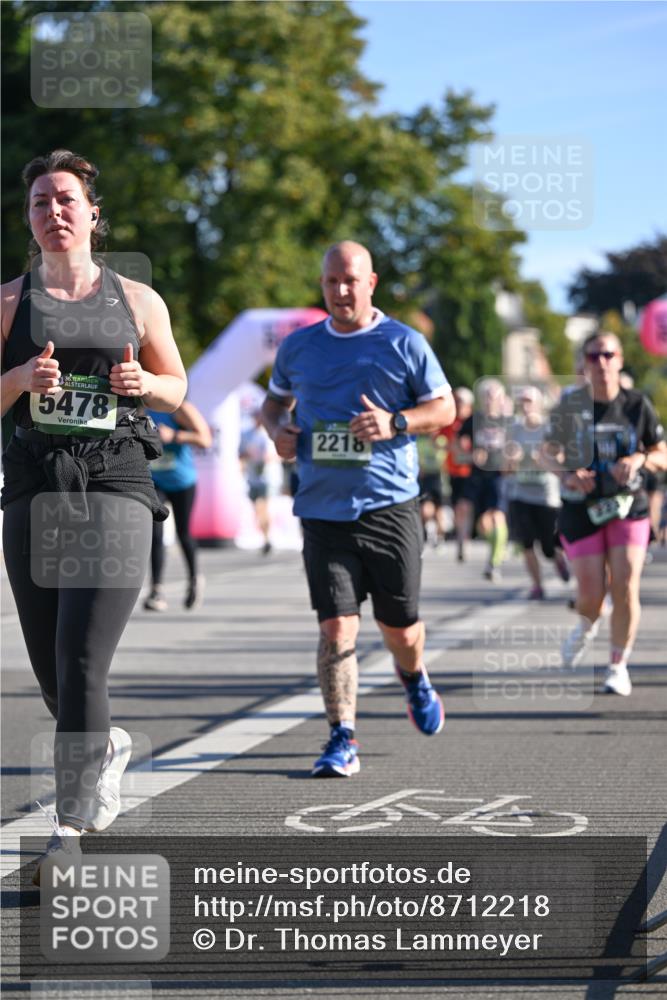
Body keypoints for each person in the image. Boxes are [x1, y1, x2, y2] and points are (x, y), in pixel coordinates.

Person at [0, 150, 187, 878]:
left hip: (114, 478)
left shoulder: (136, 300)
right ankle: (105, 745)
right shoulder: (9, 304)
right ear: (28, 217)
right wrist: (19, 378)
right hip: (33, 484)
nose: (54, 211)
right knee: (53, 674)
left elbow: (177, 386)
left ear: (92, 214)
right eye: (40, 201)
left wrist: (145, 382)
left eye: (66, 199)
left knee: (81, 661)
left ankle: (68, 831)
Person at [261, 241, 454, 776]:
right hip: (322, 509)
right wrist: (278, 430)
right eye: (331, 282)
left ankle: (414, 677)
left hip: (389, 506)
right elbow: (274, 403)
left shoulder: (405, 342)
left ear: (371, 283)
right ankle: (341, 736)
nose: (341, 291)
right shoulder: (298, 347)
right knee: (336, 629)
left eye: (351, 280)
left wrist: (396, 422)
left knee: (401, 630)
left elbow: (444, 408)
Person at [543, 331, 666, 695]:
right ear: (583, 363)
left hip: (628, 506)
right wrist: (567, 474)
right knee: (591, 597)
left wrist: (638, 459)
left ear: (620, 360)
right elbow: (546, 452)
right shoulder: (570, 407)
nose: (601, 363)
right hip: (581, 509)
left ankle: (617, 665)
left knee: (625, 585)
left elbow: (661, 453)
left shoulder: (636, 405)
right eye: (593, 356)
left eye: (608, 355)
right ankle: (586, 626)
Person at [144, 401, 212, 611]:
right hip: (155, 479)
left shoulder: (180, 408)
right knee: (155, 534)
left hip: (182, 481)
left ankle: (194, 579)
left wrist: (174, 436)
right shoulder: (142, 407)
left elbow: (205, 439)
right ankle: (156, 590)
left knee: (184, 533)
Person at [505, 386, 569, 599]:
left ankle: (558, 559)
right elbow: (505, 467)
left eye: (529, 401)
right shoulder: (514, 429)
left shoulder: (549, 428)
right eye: (522, 401)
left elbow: (562, 459)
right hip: (520, 493)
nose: (525, 406)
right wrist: (511, 459)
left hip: (546, 495)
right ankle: (537, 585)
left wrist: (544, 458)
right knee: (526, 543)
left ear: (539, 404)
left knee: (548, 547)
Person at [459, 379, 509, 582]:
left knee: (497, 516)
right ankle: (498, 544)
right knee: (483, 524)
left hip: (498, 476)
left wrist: (510, 459)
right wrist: (469, 456)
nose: (490, 400)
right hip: (477, 475)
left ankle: (494, 563)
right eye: (487, 396)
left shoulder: (507, 421)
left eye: (494, 396)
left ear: (501, 399)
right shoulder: (473, 420)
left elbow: (517, 447)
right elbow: (457, 445)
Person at [239, 408, 278, 555]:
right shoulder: (247, 434)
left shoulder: (270, 434)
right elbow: (240, 454)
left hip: (267, 478)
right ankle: (266, 537)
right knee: (257, 510)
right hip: (252, 478)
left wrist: (267, 458)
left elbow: (278, 455)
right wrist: (248, 455)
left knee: (262, 507)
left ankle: (267, 539)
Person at [442, 387, 474, 561]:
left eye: (461, 402)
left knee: (465, 506)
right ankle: (461, 535)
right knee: (457, 508)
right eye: (456, 401)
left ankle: (463, 539)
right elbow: (438, 440)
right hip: (453, 471)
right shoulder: (449, 421)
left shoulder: (474, 421)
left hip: (471, 472)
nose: (458, 405)